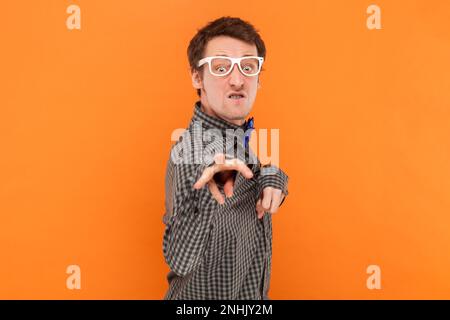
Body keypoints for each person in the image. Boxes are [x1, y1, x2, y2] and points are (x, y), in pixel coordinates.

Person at [162, 16, 289, 299]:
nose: (237, 79)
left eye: (248, 67)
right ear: (197, 77)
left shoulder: (234, 137)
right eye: (220, 68)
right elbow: (180, 261)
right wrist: (210, 195)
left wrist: (272, 177)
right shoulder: (193, 152)